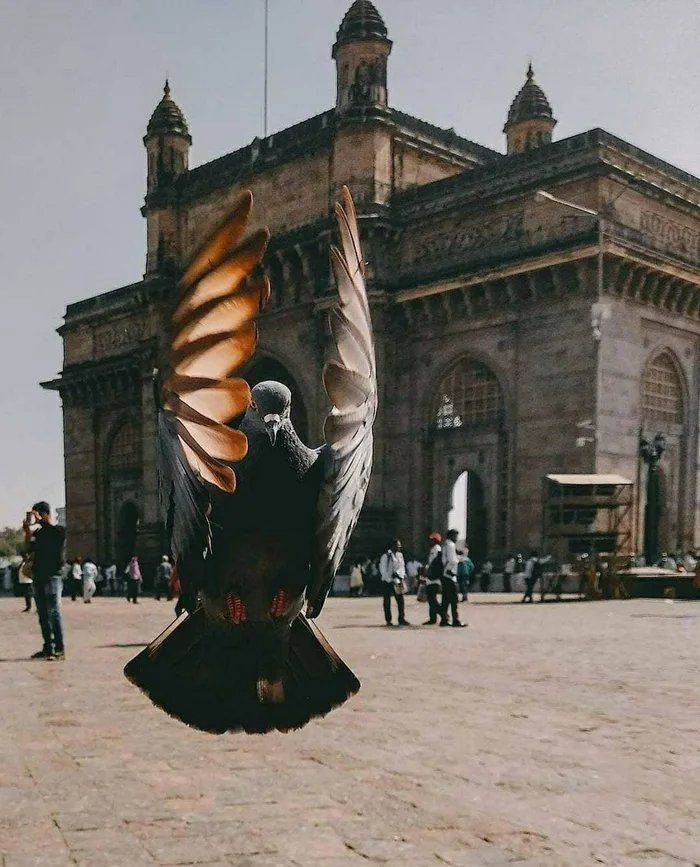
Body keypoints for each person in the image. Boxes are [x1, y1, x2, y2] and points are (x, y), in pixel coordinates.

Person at [23, 502, 66, 660]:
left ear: (45, 513)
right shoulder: (39, 534)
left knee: (53, 612)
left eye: (38, 514)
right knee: (42, 613)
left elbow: (56, 539)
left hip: (53, 576)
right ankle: (48, 647)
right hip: (39, 576)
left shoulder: (58, 530)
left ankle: (59, 649)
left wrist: (42, 521)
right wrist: (27, 532)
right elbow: (28, 550)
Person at [379, 539, 409, 626]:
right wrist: (389, 578)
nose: (399, 547)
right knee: (387, 601)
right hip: (387, 581)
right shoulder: (386, 556)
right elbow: (383, 570)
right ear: (393, 546)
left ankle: (401, 618)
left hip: (398, 580)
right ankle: (388, 620)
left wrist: (400, 576)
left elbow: (402, 567)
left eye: (400, 545)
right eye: (397, 545)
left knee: (400, 600)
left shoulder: (400, 555)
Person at [441, 529, 466, 627]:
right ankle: (455, 620)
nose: (457, 538)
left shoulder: (445, 545)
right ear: (452, 536)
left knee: (446, 599)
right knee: (454, 599)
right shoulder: (451, 545)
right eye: (456, 536)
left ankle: (444, 619)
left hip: (445, 574)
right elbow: (452, 560)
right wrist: (460, 559)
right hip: (450, 574)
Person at [423, 532, 444, 625]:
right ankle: (432, 619)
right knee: (431, 599)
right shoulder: (433, 549)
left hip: (434, 578)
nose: (429, 541)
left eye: (431, 540)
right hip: (430, 577)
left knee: (432, 599)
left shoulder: (438, 550)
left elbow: (437, 564)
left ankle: (443, 615)